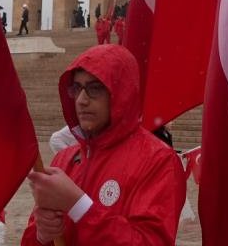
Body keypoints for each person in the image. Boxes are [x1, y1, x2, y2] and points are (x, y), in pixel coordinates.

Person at [22, 44, 185, 245]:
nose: (81, 100)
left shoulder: (158, 160)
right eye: (77, 88)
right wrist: (41, 235)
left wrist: (79, 206)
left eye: (95, 88)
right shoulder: (63, 160)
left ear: (121, 92)